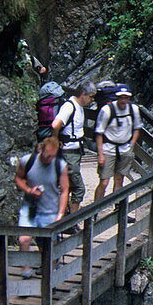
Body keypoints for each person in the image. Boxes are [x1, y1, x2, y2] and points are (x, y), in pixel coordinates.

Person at [14, 136, 69, 278]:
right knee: (24, 239)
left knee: (48, 243)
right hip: (30, 207)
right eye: (46, 155)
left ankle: (50, 272)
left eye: (52, 156)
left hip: (49, 209)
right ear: (41, 149)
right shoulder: (28, 161)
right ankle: (26, 270)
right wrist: (28, 190)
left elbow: (64, 190)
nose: (48, 159)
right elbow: (18, 178)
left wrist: (60, 214)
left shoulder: (60, 166)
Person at [50, 81, 95, 214]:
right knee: (78, 188)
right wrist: (55, 139)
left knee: (66, 187)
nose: (92, 100)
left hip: (74, 153)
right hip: (69, 153)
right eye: (91, 96)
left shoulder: (78, 107)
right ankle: (72, 221)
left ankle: (64, 218)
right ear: (83, 94)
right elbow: (55, 124)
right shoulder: (69, 107)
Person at [93, 83, 141, 202]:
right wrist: (100, 154)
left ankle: (118, 208)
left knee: (119, 179)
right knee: (104, 182)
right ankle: (94, 212)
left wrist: (131, 146)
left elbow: (137, 129)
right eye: (121, 97)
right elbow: (99, 133)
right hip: (108, 149)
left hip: (125, 149)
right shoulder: (107, 110)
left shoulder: (133, 109)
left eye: (126, 97)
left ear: (129, 98)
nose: (123, 100)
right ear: (116, 97)